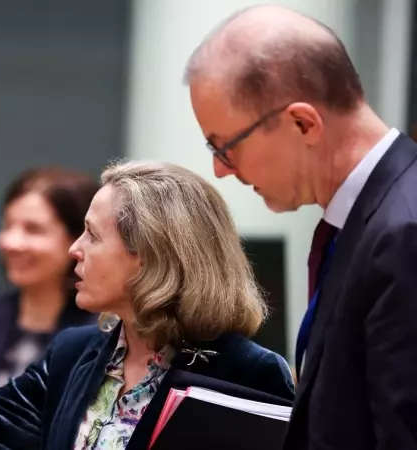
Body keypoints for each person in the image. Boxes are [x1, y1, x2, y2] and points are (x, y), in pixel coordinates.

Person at [0, 161, 294, 449]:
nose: (74, 250)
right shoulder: (73, 355)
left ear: (149, 255)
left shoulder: (249, 372)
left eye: (91, 236)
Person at [185, 5, 417, 449]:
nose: (219, 170)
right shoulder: (365, 219)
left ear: (302, 122)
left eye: (226, 146)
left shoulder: (403, 231)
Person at [0, 167, 98, 399]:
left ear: (76, 238)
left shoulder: (100, 332)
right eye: (8, 226)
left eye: (33, 229)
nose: (11, 242)